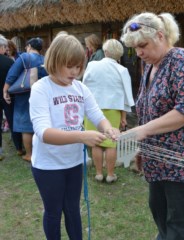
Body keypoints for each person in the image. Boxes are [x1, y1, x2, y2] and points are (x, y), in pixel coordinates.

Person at [121, 12, 184, 240]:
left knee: (177, 222)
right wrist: (143, 147)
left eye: (142, 45)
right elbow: (148, 111)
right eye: (134, 48)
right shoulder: (150, 67)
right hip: (159, 159)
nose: (139, 53)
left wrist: (143, 131)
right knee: (158, 212)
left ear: (160, 36)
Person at [29, 33, 119, 239]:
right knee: (53, 212)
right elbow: (44, 133)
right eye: (69, 66)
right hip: (48, 165)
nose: (75, 72)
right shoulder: (41, 89)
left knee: (72, 209)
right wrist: (81, 136)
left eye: (78, 66)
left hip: (73, 163)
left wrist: (108, 128)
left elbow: (97, 114)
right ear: (55, 60)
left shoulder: (80, 88)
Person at [83, 39, 134, 183]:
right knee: (111, 142)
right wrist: (124, 116)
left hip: (93, 109)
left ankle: (99, 174)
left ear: (105, 52)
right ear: (119, 55)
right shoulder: (122, 70)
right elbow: (125, 95)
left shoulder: (92, 65)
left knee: (96, 142)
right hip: (113, 110)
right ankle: (111, 175)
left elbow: (84, 87)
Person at [4, 37, 47, 162]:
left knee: (26, 124)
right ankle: (40, 152)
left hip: (25, 94)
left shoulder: (24, 57)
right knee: (39, 121)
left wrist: (5, 89)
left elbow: (12, 74)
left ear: (29, 46)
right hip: (41, 93)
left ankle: (29, 154)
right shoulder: (44, 59)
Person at [0, 36, 24, 158]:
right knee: (12, 120)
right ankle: (19, 147)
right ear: (2, 47)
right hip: (8, 95)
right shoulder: (9, 62)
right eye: (4, 47)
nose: (6, 49)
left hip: (6, 95)